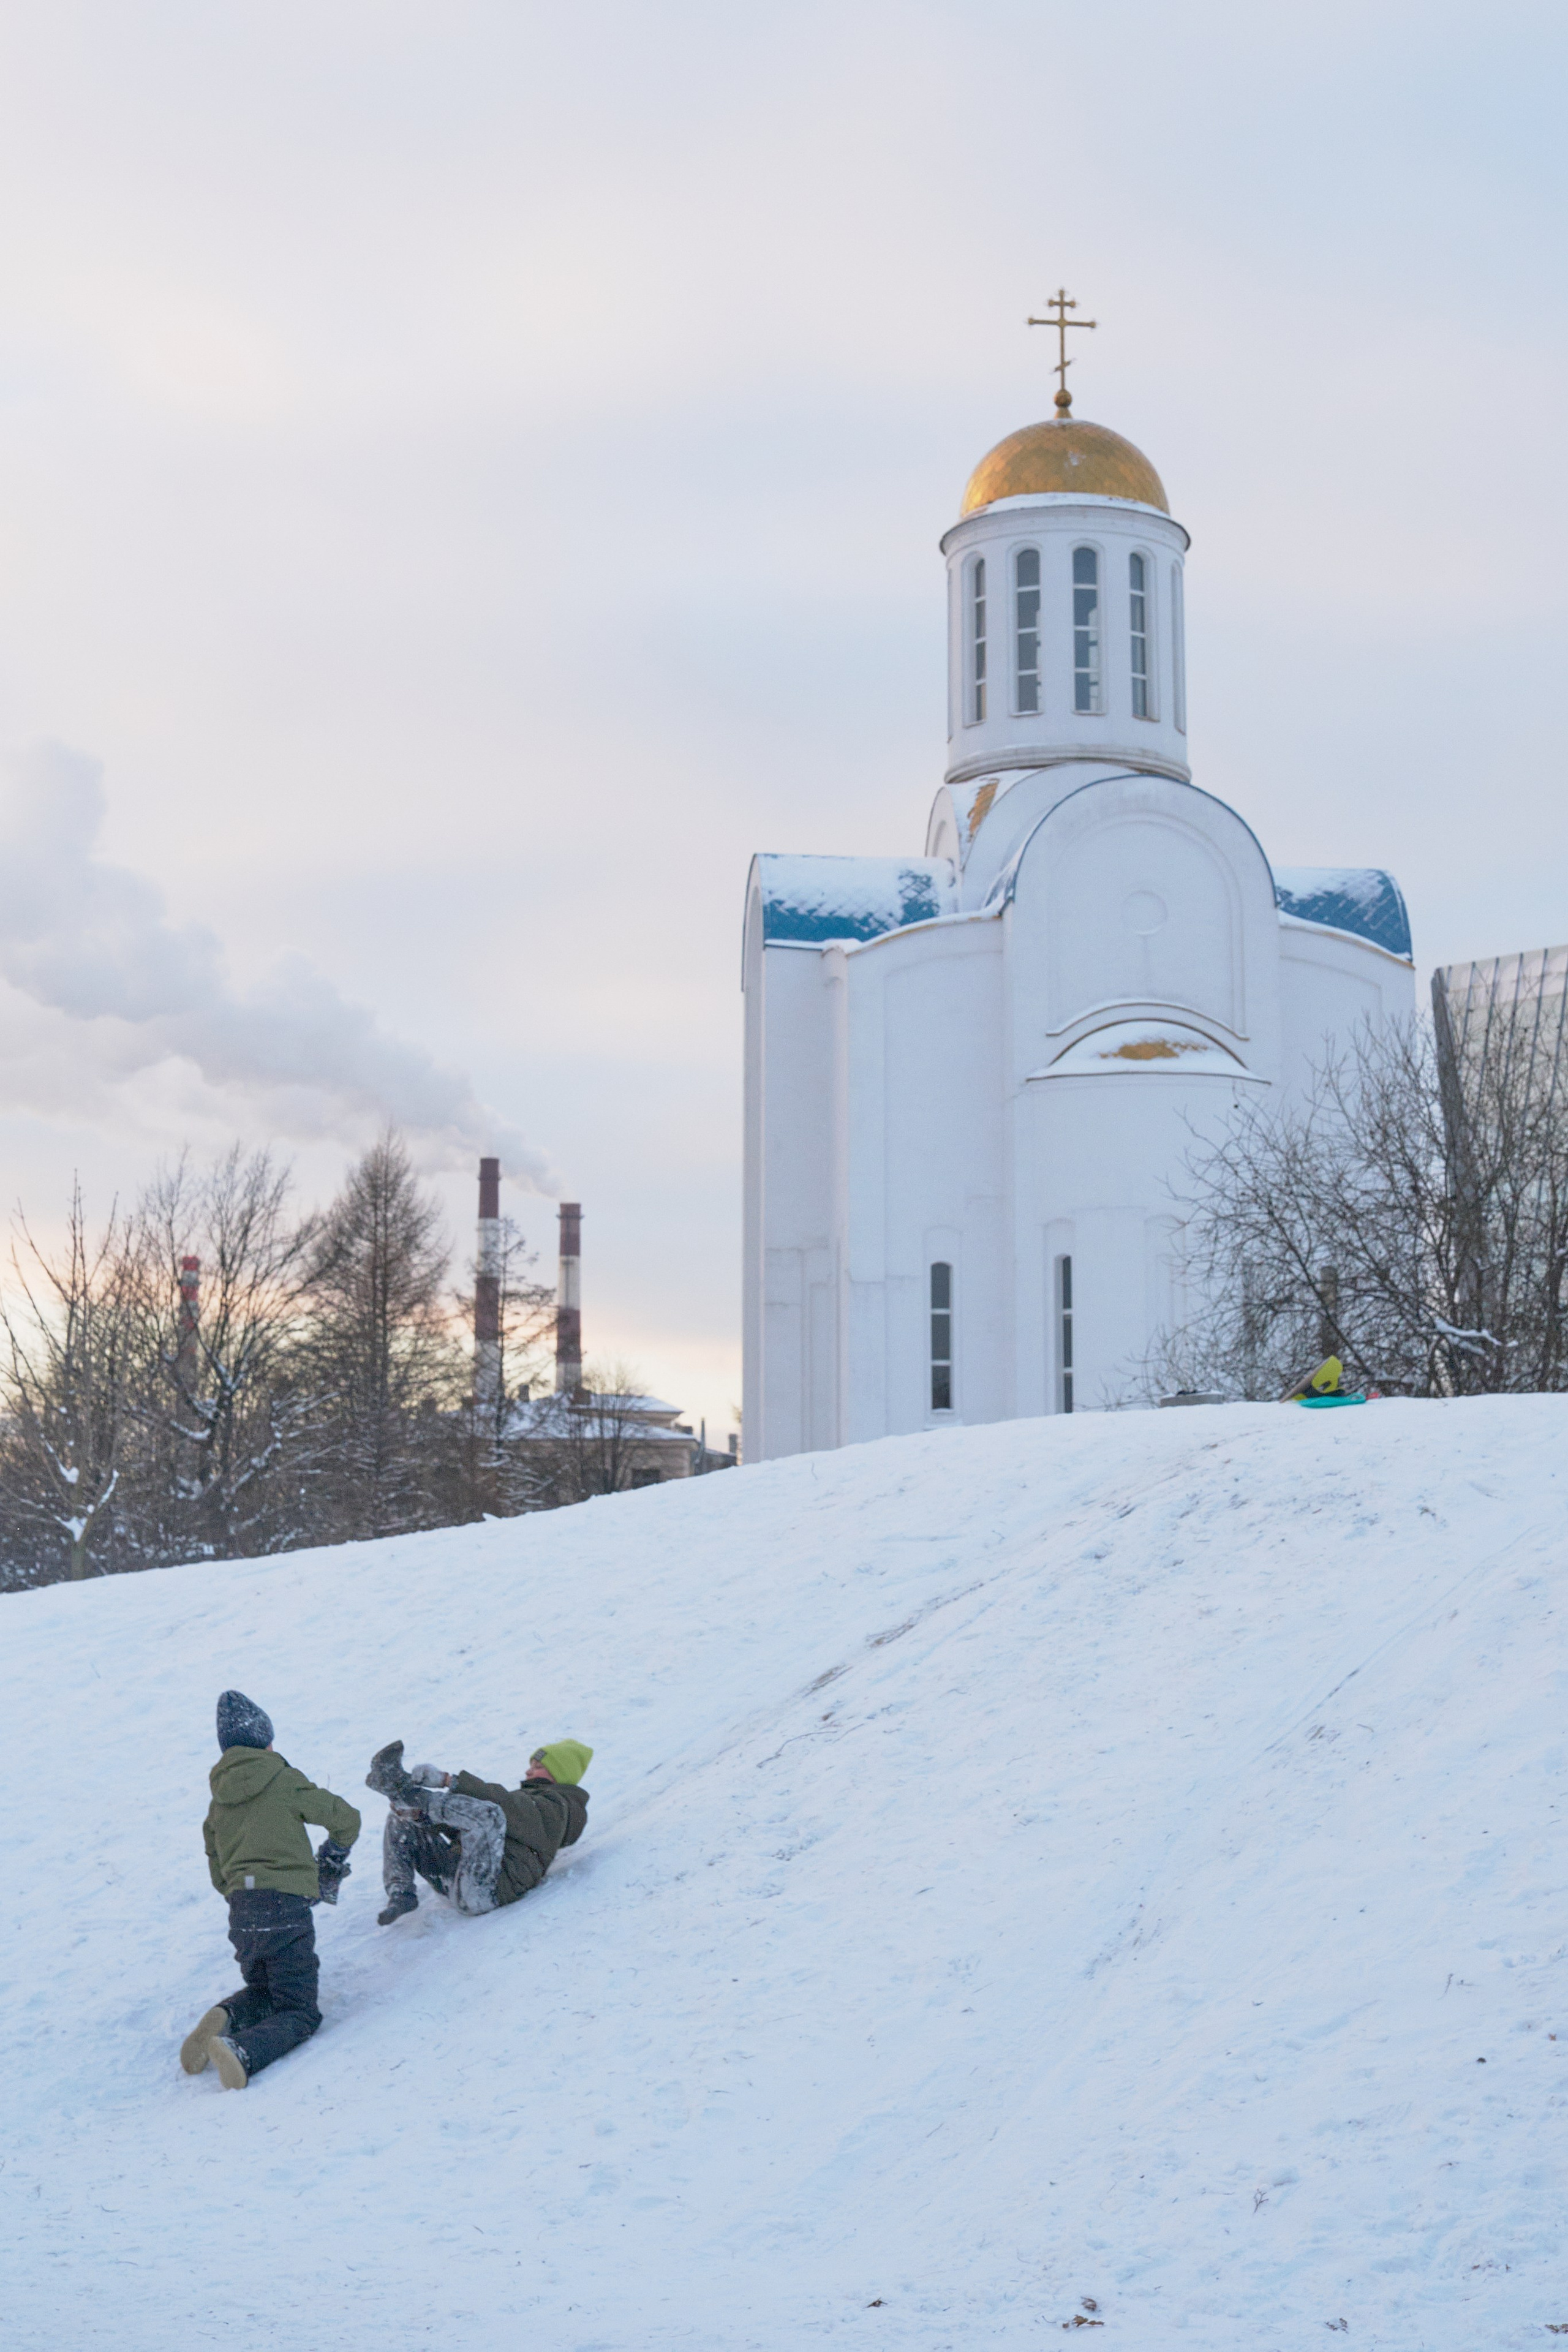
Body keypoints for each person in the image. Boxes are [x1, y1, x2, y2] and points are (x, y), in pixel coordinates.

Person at [180, 1689, 361, 2091]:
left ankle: (225, 2014)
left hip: (242, 1912)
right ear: (266, 1740)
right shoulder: (283, 1779)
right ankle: (242, 2052)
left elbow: (216, 1865)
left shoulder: (218, 1802)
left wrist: (239, 1892)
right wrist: (331, 1857)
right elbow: (347, 1818)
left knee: (264, 1990)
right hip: (285, 1907)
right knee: (299, 2010)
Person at [366, 1737, 591, 1925]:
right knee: (404, 1818)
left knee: (490, 1813)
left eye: (538, 1767)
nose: (528, 1771)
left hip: (487, 1889)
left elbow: (500, 1807)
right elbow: (470, 1827)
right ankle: (401, 1893)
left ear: (560, 1773)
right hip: (457, 1878)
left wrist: (449, 1781)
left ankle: (402, 1789)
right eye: (531, 1765)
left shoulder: (560, 1807)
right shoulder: (527, 1804)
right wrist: (421, 1817)